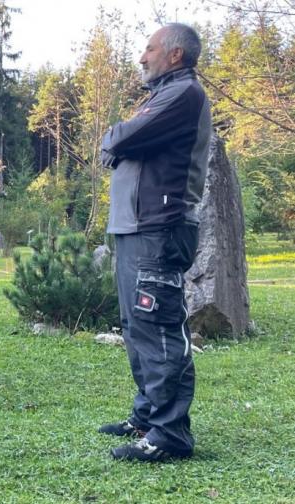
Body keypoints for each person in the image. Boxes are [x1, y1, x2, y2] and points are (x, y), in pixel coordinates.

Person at [98, 23, 211, 462]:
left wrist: (119, 139)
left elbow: (120, 138)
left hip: (159, 229)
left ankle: (170, 435)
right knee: (136, 327)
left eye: (149, 49)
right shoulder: (162, 95)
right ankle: (147, 416)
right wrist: (121, 142)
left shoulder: (182, 93)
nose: (142, 58)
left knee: (158, 326)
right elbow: (119, 145)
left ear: (175, 54)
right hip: (136, 229)